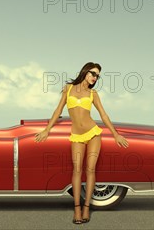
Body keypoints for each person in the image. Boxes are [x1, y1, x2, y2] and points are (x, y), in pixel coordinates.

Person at [34, 62, 129, 225]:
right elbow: (58, 111)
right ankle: (77, 208)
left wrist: (116, 134)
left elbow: (104, 115)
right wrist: (46, 130)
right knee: (77, 170)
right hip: (77, 135)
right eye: (93, 73)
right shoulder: (68, 88)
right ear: (85, 71)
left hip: (93, 134)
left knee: (90, 170)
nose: (94, 77)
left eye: (97, 75)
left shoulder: (93, 93)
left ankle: (86, 207)